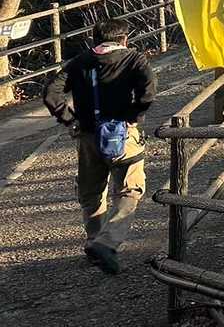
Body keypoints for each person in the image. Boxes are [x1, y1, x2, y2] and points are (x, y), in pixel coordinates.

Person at [43, 18, 157, 275]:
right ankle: (106, 243)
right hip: (123, 135)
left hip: (87, 136)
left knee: (91, 192)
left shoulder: (80, 62)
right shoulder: (134, 59)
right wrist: (134, 116)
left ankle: (94, 242)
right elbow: (149, 91)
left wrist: (69, 119)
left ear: (94, 38)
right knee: (130, 190)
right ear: (124, 39)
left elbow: (51, 92)